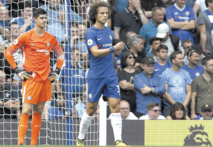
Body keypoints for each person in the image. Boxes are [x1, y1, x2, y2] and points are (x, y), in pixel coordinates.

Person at [4, 9, 65, 145]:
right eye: (42, 18)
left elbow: (60, 55)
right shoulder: (26, 36)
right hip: (30, 78)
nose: (45, 20)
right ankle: (20, 142)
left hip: (46, 80)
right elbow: (8, 52)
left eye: (45, 18)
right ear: (35, 20)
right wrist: (17, 71)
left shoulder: (51, 38)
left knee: (38, 110)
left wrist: (56, 71)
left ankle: (33, 143)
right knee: (26, 110)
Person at [76, 2, 126, 146]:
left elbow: (110, 51)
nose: (105, 15)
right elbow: (95, 53)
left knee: (115, 105)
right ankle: (80, 138)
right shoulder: (90, 32)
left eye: (106, 13)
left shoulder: (109, 31)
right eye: (102, 13)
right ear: (95, 15)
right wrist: (112, 48)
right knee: (91, 109)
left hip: (110, 74)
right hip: (96, 76)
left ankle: (118, 141)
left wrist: (117, 50)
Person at [162, 51, 191, 117]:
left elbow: (189, 92)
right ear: (173, 60)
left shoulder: (186, 74)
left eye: (182, 58)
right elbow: (165, 93)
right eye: (180, 59)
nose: (182, 60)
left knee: (183, 127)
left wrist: (182, 106)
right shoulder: (165, 73)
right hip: (170, 107)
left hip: (183, 107)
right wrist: (176, 106)